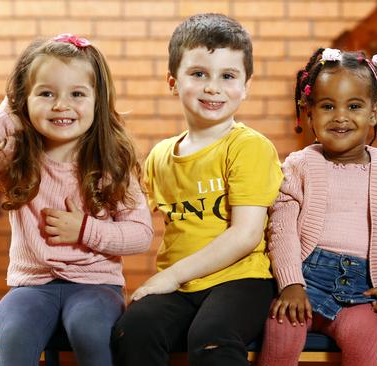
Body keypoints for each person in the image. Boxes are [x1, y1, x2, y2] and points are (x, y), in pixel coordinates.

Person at [0, 34, 154, 366]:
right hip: (30, 287)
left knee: (88, 329)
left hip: (96, 286)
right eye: (46, 94)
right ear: (23, 101)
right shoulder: (18, 156)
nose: (61, 105)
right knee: (14, 330)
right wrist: (5, 116)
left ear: (97, 101)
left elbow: (141, 234)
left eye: (77, 94)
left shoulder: (111, 162)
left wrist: (86, 230)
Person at [111, 13, 283, 366]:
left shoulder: (248, 147)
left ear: (246, 85)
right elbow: (130, 219)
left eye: (228, 76)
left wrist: (171, 276)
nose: (212, 87)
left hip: (241, 279)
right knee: (134, 329)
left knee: (211, 337)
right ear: (173, 82)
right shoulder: (159, 156)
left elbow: (246, 235)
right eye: (199, 73)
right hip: (182, 287)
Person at [257, 48, 377, 366]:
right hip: (305, 280)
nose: (341, 116)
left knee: (363, 338)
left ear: (374, 113)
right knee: (281, 331)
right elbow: (282, 228)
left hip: (363, 289)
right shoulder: (300, 165)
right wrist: (290, 284)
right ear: (309, 113)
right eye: (328, 106)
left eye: (354, 106)